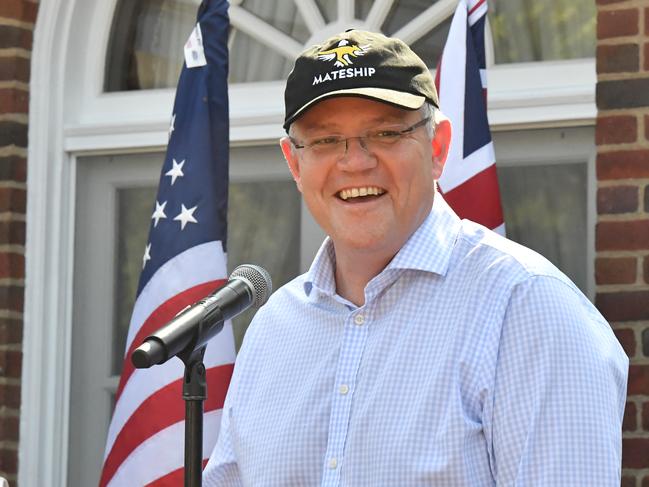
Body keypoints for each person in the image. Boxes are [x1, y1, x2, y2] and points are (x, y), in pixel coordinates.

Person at [204, 30, 628, 486]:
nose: (355, 162)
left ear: (438, 148)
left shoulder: (528, 308)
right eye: (326, 141)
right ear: (294, 164)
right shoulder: (275, 329)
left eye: (385, 133)